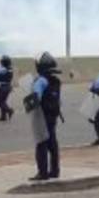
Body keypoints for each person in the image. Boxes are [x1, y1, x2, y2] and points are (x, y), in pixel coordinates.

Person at [29, 52, 62, 181]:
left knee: (41, 143)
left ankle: (42, 173)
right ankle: (55, 170)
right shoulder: (56, 80)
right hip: (53, 115)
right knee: (52, 143)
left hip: (42, 116)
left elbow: (36, 98)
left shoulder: (40, 81)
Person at [0, 55, 15, 122]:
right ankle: (3, 116)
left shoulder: (2, 69)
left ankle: (9, 110)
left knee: (0, 101)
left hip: (3, 86)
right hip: (8, 86)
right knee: (3, 101)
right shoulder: (10, 69)